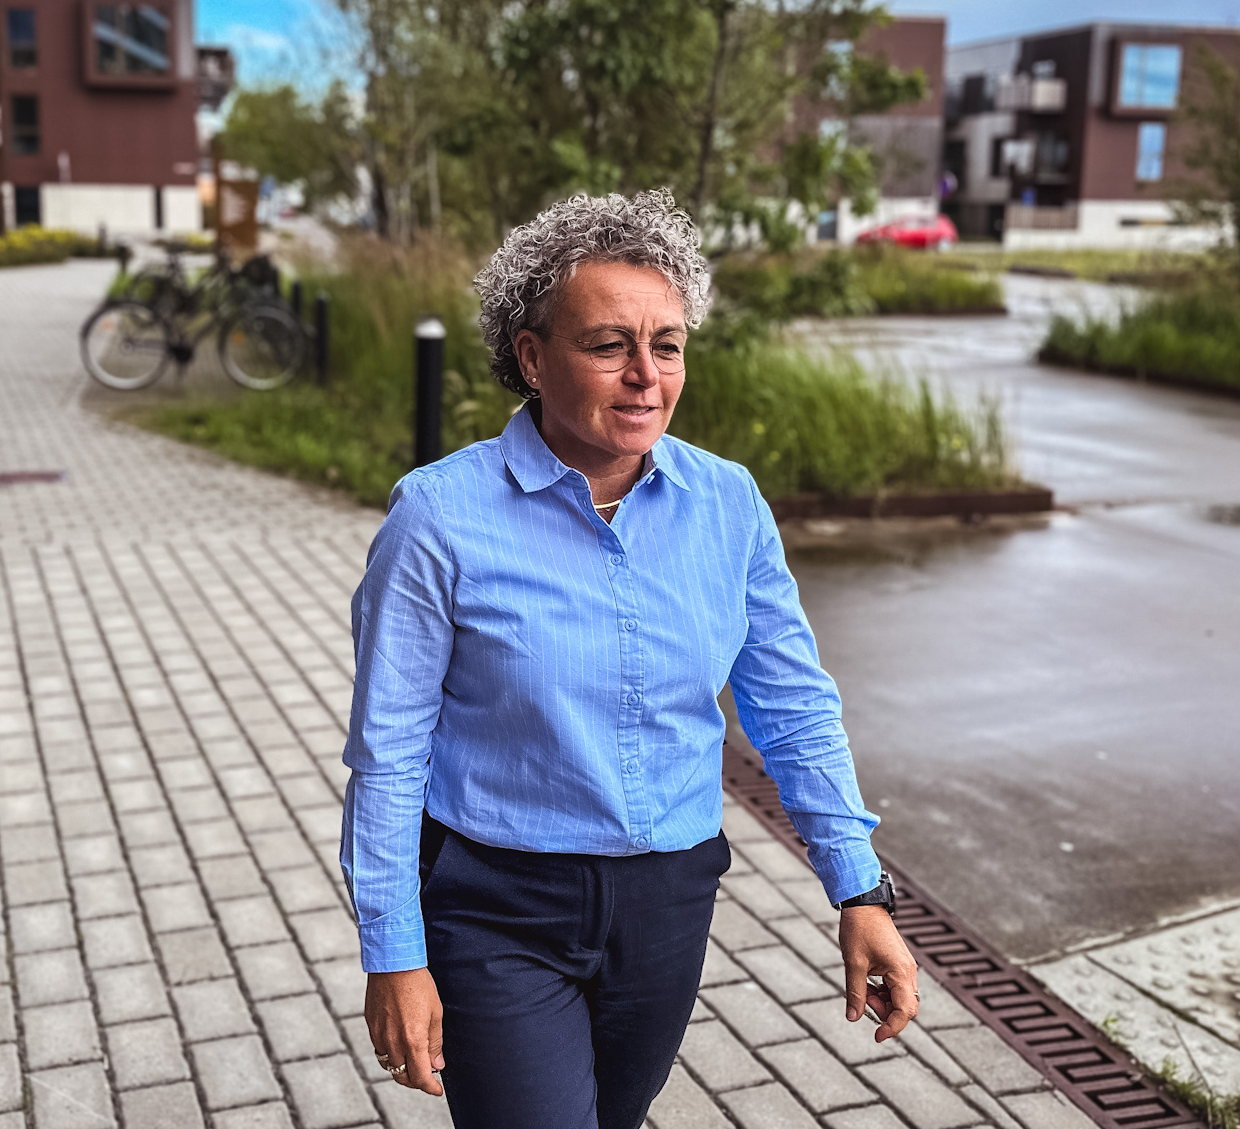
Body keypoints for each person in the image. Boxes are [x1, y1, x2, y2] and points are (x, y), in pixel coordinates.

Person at [340, 190, 918, 1129]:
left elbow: (791, 707)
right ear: (533, 357)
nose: (646, 375)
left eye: (668, 345)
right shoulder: (438, 518)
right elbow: (388, 753)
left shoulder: (728, 503)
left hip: (668, 904)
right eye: (609, 344)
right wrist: (393, 951)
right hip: (497, 905)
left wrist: (860, 889)